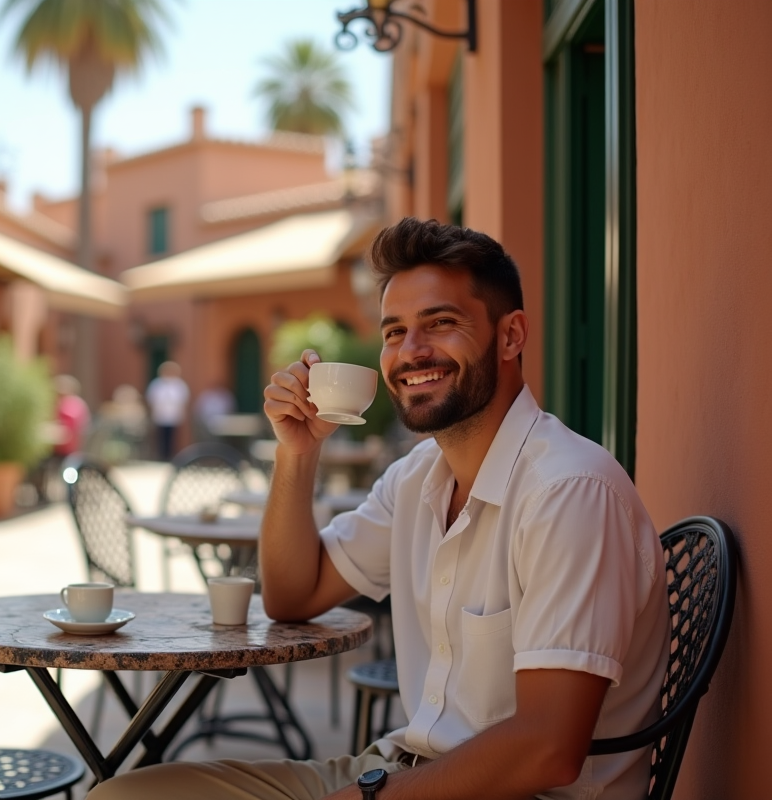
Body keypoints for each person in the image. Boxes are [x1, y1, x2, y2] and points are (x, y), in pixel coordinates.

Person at [87, 218, 669, 800]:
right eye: (394, 332)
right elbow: (293, 595)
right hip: (398, 772)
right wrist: (298, 453)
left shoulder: (567, 492)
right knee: (123, 795)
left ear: (511, 335)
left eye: (440, 323)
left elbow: (547, 748)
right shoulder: (418, 478)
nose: (411, 352)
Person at [146, 361, 190, 461]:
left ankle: (171, 455)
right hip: (160, 415)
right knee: (160, 436)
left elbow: (183, 401)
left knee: (172, 437)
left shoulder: (179, 385)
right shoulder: (156, 384)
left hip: (174, 416)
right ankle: (161, 455)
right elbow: (151, 399)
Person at [52, 375, 91, 458]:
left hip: (68, 452)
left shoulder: (70, 404)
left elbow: (66, 432)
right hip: (72, 450)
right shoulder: (77, 402)